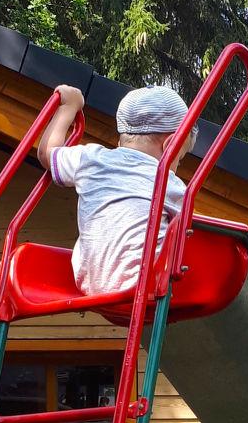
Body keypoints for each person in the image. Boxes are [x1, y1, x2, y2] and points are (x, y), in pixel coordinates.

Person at [36, 83, 195, 298]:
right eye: (181, 158)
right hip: (144, 286)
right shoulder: (169, 182)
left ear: (120, 140)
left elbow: (47, 153)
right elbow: (193, 231)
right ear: (171, 146)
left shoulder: (91, 158)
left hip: (89, 286)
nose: (178, 167)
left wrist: (69, 107)